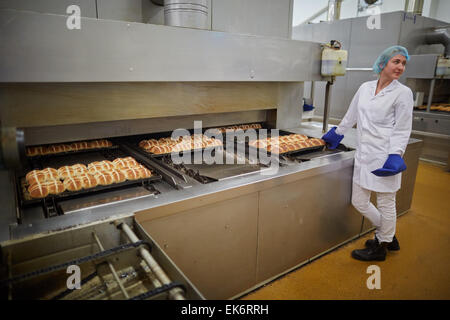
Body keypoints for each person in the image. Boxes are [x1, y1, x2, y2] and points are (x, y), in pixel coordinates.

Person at [322, 46, 414, 261]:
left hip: (385, 157)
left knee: (385, 202)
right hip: (364, 155)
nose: (400, 67)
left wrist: (396, 154)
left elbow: (402, 128)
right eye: (396, 61)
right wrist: (337, 133)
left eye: (403, 63)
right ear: (383, 63)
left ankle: (381, 246)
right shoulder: (365, 87)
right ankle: (388, 235)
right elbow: (351, 114)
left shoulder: (403, 93)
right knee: (359, 201)